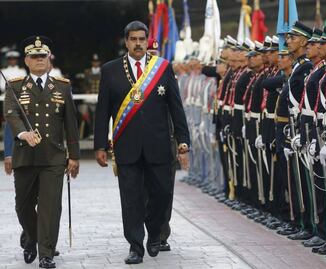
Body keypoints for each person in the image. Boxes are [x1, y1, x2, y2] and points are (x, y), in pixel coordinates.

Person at [94, 21, 190, 265]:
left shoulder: (163, 68)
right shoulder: (110, 70)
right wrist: (99, 146)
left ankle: (155, 232)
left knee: (162, 194)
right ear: (126, 41)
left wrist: (183, 141)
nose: (138, 44)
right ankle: (136, 246)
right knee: (131, 199)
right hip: (127, 147)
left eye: (142, 39)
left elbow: (176, 108)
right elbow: (102, 111)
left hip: (158, 146)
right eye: (133, 39)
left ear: (147, 41)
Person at [4, 35, 80, 268]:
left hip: (53, 157)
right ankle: (31, 237)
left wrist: (74, 156)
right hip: (25, 156)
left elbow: (71, 124)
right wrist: (22, 133)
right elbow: (10, 114)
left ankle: (45, 253)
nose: (39, 60)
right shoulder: (15, 86)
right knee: (23, 206)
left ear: (49, 58)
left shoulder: (62, 87)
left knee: (50, 207)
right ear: (26, 60)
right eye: (34, 56)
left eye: (42, 56)